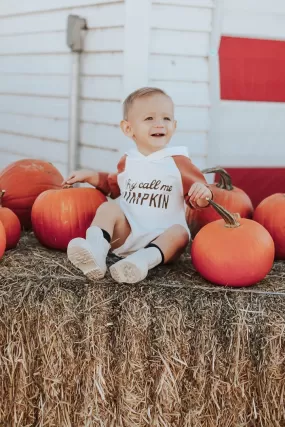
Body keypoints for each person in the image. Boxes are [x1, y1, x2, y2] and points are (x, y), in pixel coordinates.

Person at [63, 87, 212, 284]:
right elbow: (113, 187)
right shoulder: (128, 160)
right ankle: (96, 251)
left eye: (166, 118)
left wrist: (203, 193)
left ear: (174, 126)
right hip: (128, 234)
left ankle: (141, 262)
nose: (159, 124)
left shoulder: (178, 161)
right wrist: (91, 176)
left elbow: (200, 200)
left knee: (181, 233)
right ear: (128, 128)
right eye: (149, 118)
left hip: (162, 241)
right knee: (108, 208)